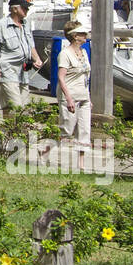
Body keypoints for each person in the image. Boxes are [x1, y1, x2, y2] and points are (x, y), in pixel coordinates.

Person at [0, 0, 43, 118]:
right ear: (14, 9)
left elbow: (31, 45)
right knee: (17, 106)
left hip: (23, 72)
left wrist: (37, 59)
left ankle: (11, 133)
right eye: (24, 8)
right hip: (7, 71)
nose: (27, 10)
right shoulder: (2, 25)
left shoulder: (26, 24)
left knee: (24, 108)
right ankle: (13, 132)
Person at [57, 19, 92, 171]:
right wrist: (69, 98)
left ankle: (81, 165)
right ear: (75, 36)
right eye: (83, 33)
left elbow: (86, 77)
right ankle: (54, 155)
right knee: (67, 129)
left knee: (84, 130)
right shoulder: (65, 54)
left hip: (83, 96)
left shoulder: (84, 53)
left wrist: (89, 98)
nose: (86, 36)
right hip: (70, 96)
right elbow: (61, 77)